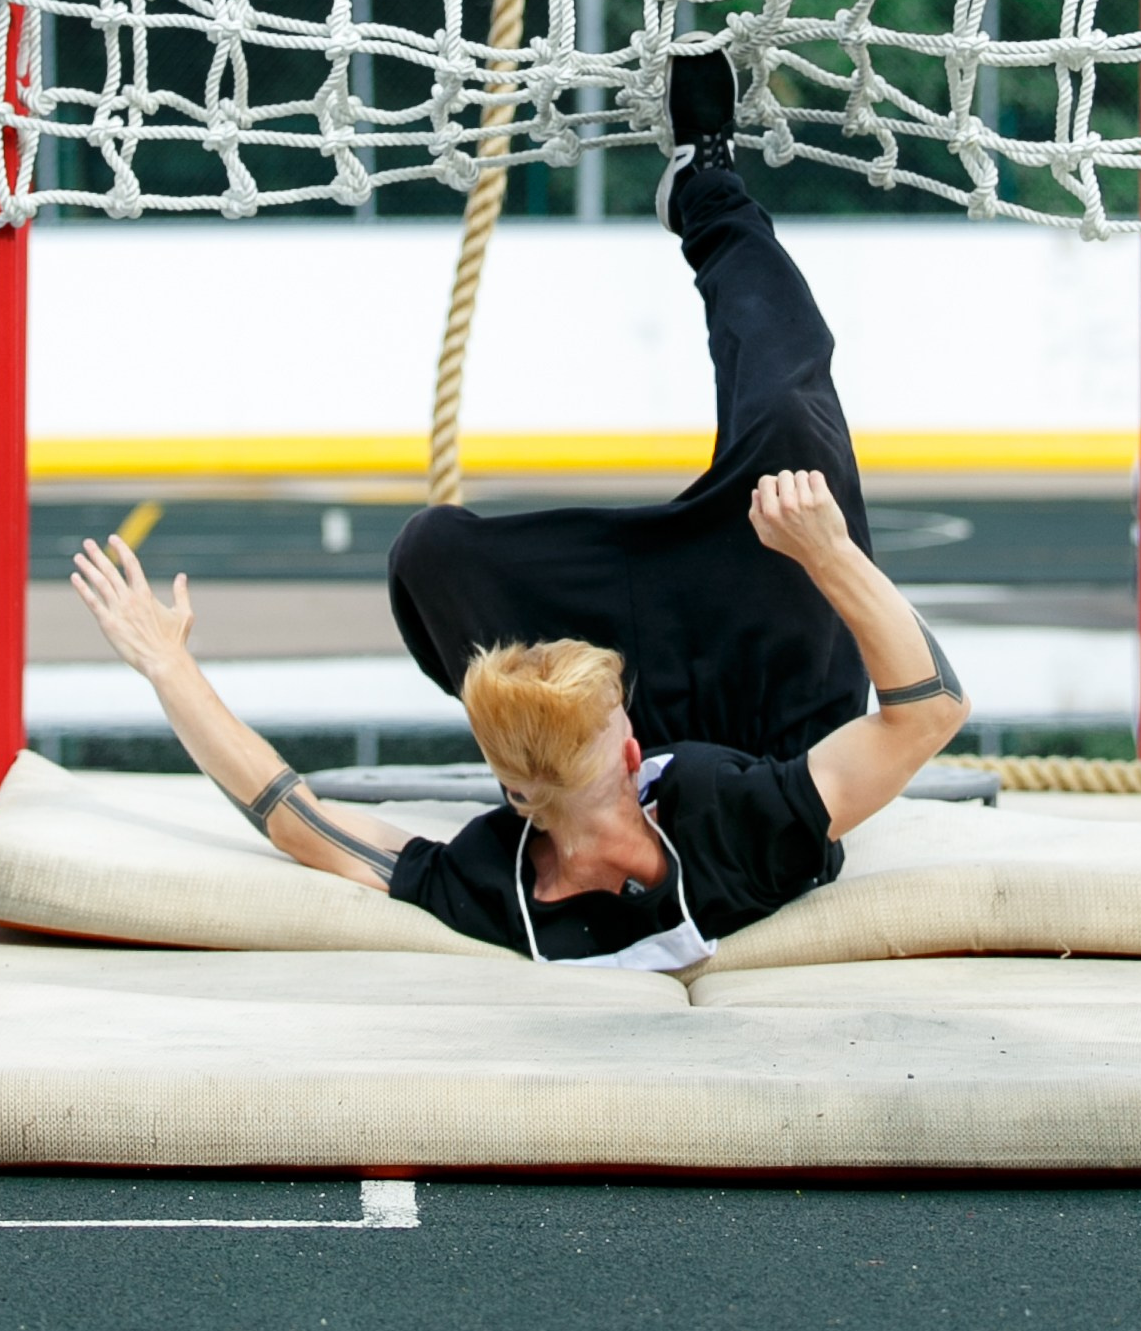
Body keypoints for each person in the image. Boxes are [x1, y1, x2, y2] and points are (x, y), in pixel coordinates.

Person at [70, 51, 970, 965]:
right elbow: (930, 710)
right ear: (631, 751)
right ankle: (707, 188)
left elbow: (296, 819)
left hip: (607, 734)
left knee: (433, 553)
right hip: (777, 704)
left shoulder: (498, 884)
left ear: (515, 793)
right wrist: (829, 555)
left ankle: (571, 682)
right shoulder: (740, 827)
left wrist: (166, 667)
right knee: (785, 410)